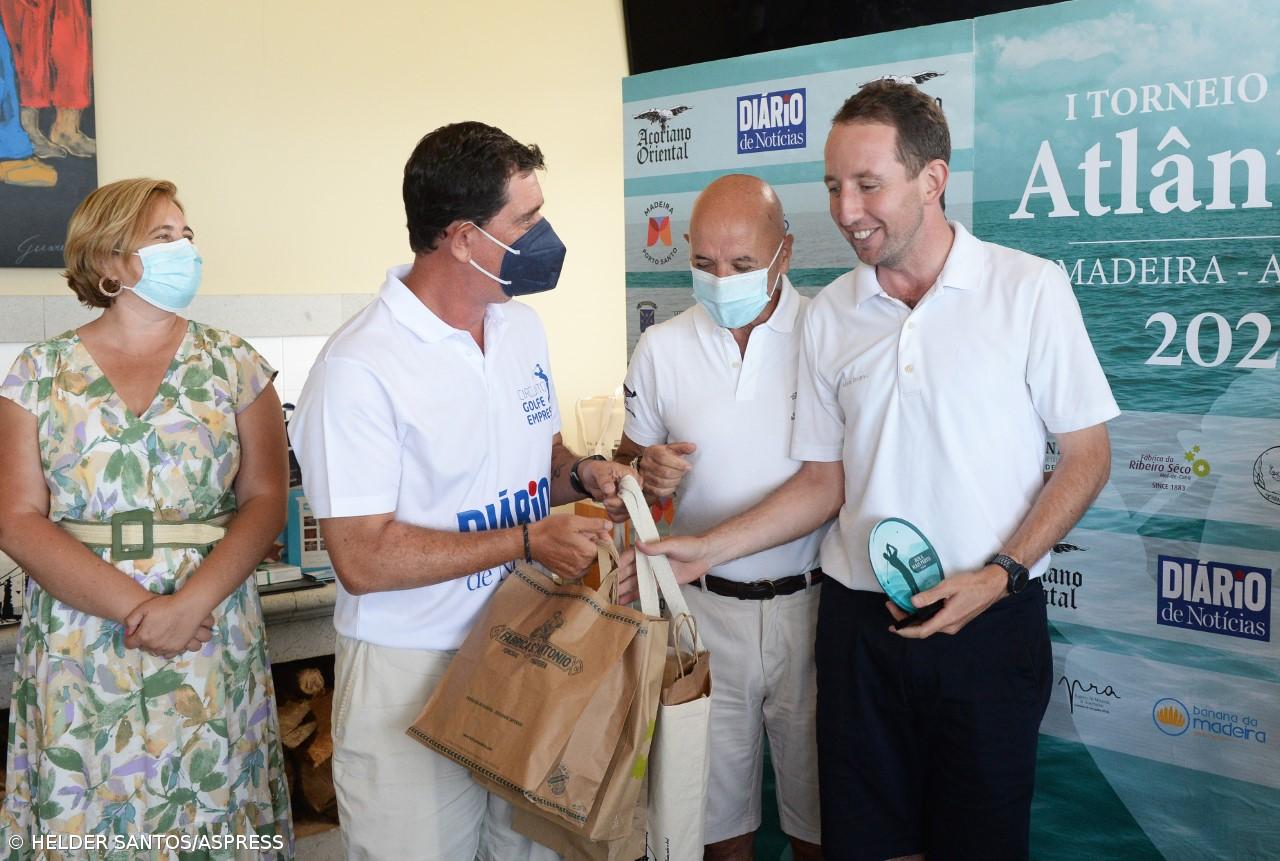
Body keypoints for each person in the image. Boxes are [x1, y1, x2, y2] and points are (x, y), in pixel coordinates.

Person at [630, 81, 1119, 860]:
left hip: (989, 622)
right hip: (858, 631)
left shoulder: (1028, 290)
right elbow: (824, 482)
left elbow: (1088, 457)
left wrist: (1000, 574)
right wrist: (708, 549)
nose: (847, 209)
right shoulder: (832, 315)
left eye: (868, 184)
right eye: (832, 186)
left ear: (932, 179)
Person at [288, 120, 636, 860]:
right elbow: (362, 557)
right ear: (464, 237)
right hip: (411, 668)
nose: (545, 234)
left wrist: (581, 473)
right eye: (527, 219)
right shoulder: (360, 368)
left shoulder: (520, 330)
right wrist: (525, 540)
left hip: (526, 643)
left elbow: (534, 455)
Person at [0, 178, 294, 853]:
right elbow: (17, 518)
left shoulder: (236, 365)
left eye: (186, 236)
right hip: (83, 640)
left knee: (212, 803)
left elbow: (266, 499)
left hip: (208, 628)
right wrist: (142, 607)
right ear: (107, 260)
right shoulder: (36, 374)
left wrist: (188, 604)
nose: (184, 250)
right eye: (163, 237)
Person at [613, 174, 825, 861]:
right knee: (713, 825)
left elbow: (848, 480)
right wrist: (645, 475)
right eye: (703, 264)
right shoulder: (662, 349)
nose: (720, 279)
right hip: (704, 616)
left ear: (784, 254)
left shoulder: (829, 336)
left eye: (740, 264)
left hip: (816, 609)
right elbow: (625, 484)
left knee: (822, 822)